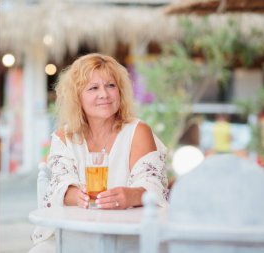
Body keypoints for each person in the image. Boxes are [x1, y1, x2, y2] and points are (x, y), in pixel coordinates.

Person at [29, 53, 168, 252]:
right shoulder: (64, 138)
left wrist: (130, 196)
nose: (104, 94)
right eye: (93, 88)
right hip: (76, 233)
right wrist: (78, 196)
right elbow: (59, 187)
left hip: (128, 235)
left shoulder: (138, 132)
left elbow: (153, 186)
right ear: (77, 97)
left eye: (111, 85)